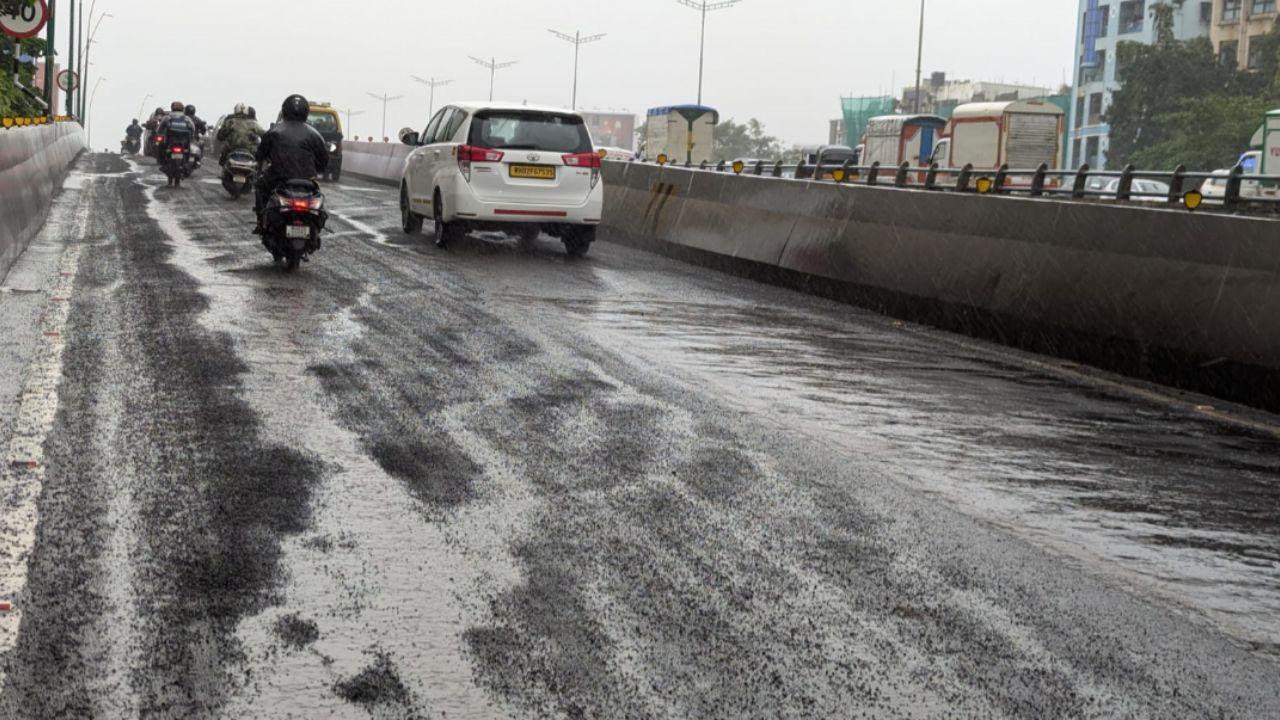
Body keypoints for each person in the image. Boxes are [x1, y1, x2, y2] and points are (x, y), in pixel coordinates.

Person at [254, 94, 328, 233]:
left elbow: (260, 154)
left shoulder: (274, 131)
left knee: (260, 186)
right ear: (306, 112)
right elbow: (323, 161)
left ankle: (260, 222)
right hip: (307, 180)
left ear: (284, 110)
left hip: (278, 177)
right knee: (318, 197)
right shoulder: (315, 134)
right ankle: (316, 229)